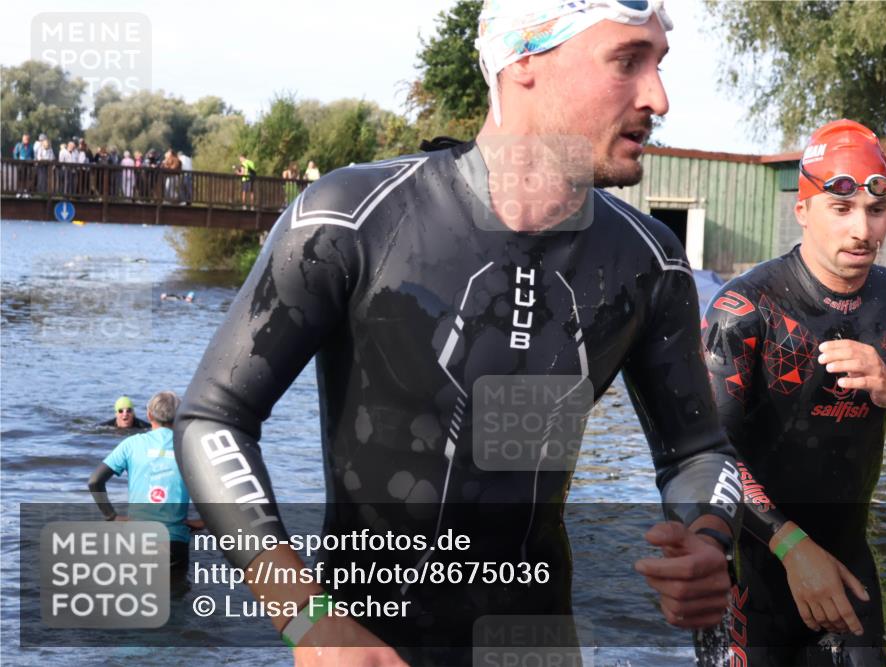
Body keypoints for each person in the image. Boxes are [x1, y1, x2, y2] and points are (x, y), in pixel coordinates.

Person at [176, 3, 741, 665]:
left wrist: (707, 534)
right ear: (523, 61)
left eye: (659, 64)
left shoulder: (650, 261)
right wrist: (304, 617)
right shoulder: (352, 220)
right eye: (627, 62)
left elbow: (698, 448)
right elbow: (212, 418)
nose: (659, 97)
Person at [700, 119, 886, 666]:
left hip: (847, 567)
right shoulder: (745, 308)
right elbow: (707, 456)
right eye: (841, 209)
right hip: (752, 571)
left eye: (876, 211)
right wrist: (792, 548)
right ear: (803, 211)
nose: (863, 230)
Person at [89, 391, 202, 575]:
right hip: (175, 541)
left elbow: (95, 482)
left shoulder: (131, 444)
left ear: (149, 415)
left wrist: (111, 516)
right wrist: (204, 522)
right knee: (176, 596)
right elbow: (223, 487)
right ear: (180, 417)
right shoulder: (192, 447)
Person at [12, 133, 33, 198]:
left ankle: (26, 192)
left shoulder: (30, 146)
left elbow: (32, 155)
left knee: (28, 178)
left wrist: (31, 160)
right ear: (23, 139)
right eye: (25, 139)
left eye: (27, 139)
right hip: (21, 164)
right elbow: (15, 154)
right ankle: (19, 192)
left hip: (28, 164)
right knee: (20, 178)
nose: (26, 140)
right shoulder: (19, 145)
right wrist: (17, 161)